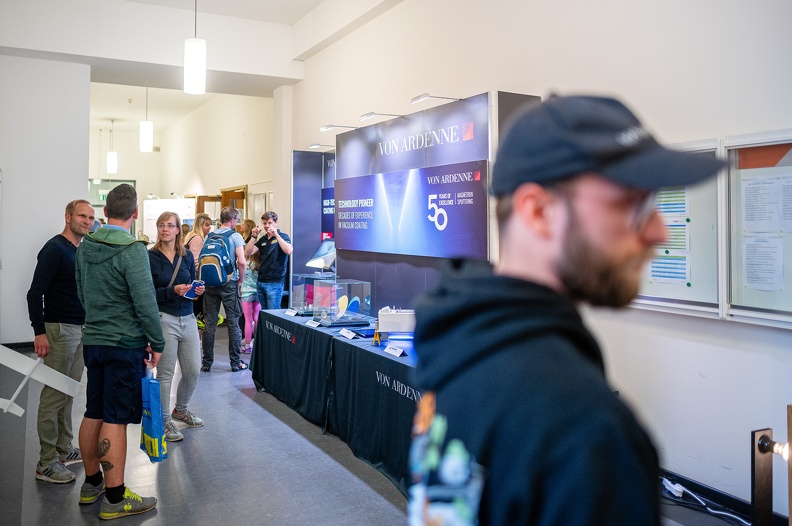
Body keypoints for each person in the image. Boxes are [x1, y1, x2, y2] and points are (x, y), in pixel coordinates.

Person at [407, 95, 726, 525]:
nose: (659, 231)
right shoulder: (588, 432)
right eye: (633, 204)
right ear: (538, 211)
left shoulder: (458, 348)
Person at [75, 183, 165, 520]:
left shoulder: (86, 244)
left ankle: (92, 483)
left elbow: (82, 293)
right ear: (135, 213)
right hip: (123, 345)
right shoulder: (132, 249)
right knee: (115, 418)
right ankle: (115, 498)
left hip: (94, 340)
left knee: (94, 409)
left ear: (104, 211)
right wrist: (157, 343)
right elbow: (145, 303)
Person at [27, 199, 95, 484]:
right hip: (58, 330)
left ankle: (64, 449)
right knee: (53, 396)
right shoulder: (55, 249)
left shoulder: (81, 250)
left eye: (91, 217)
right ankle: (46, 463)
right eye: (82, 216)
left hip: (79, 329)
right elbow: (35, 292)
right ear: (68, 217)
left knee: (68, 392)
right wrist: (39, 331)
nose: (88, 221)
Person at [148, 211, 205, 442]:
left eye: (170, 225)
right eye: (161, 225)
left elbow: (190, 283)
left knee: (193, 370)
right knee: (165, 374)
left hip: (188, 317)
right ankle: (164, 421)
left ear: (178, 229)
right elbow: (147, 294)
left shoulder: (187, 256)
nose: (165, 229)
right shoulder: (150, 257)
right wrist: (173, 291)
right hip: (164, 318)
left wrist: (195, 291)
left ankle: (180, 409)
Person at [201, 206, 247, 372]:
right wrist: (241, 280)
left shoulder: (210, 236)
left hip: (210, 283)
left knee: (210, 324)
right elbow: (242, 262)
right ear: (233, 219)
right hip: (229, 283)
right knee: (233, 323)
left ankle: (206, 363)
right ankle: (235, 363)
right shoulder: (235, 236)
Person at [244, 211, 293, 310]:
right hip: (261, 281)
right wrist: (254, 237)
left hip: (275, 283)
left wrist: (276, 235)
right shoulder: (263, 239)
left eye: (270, 223)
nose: (267, 226)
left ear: (276, 223)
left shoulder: (283, 236)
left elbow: (288, 250)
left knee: (273, 315)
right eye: (264, 223)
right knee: (265, 315)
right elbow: (248, 252)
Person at [184, 213, 213, 325]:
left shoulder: (190, 236)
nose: (209, 227)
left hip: (189, 277)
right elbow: (196, 261)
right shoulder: (197, 238)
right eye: (207, 225)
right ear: (200, 225)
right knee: (198, 314)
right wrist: (204, 277)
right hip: (195, 279)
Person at [240, 249, 261, 353]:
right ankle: (257, 343)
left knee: (248, 320)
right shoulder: (260, 264)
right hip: (257, 293)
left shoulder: (246, 264)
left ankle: (248, 345)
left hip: (246, 294)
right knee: (257, 318)